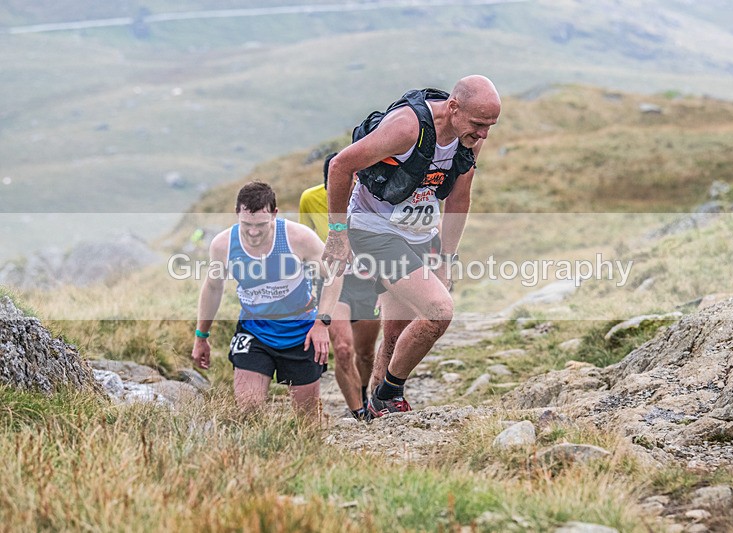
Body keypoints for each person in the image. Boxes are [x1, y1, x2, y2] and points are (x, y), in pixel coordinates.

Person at [322, 75, 501, 418]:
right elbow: (340, 165)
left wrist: (446, 259)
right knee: (438, 311)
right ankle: (390, 394)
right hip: (373, 230)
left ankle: (375, 407)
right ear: (453, 107)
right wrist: (337, 233)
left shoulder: (469, 139)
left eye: (491, 126)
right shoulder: (407, 128)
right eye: (479, 124)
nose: (483, 135)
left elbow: (459, 197)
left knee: (395, 333)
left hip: (419, 233)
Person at [192, 181, 343, 416]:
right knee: (248, 410)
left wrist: (322, 323)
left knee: (307, 420)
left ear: (274, 214)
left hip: (300, 332)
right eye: (246, 224)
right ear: (236, 214)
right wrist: (201, 336)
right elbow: (212, 287)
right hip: (254, 331)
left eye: (261, 225)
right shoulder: (223, 245)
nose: (253, 232)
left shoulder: (299, 238)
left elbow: (334, 276)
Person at [298, 160, 381, 420]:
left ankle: (365, 393)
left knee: (366, 353)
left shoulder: (371, 197)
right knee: (344, 349)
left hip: (369, 282)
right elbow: (304, 241)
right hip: (333, 282)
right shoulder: (310, 199)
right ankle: (359, 413)